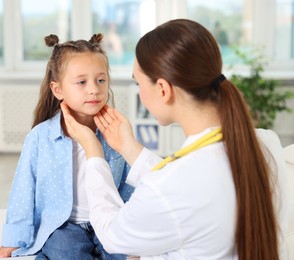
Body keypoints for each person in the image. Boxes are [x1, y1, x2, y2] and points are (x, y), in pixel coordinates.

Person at [61, 19, 288, 260]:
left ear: (163, 89)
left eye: (139, 83)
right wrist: (129, 148)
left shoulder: (172, 185)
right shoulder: (264, 143)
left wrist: (93, 153)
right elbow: (186, 187)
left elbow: (113, 236)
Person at [0, 33, 133, 260]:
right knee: (66, 252)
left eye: (101, 80)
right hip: (63, 224)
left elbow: (129, 185)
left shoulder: (116, 131)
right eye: (81, 82)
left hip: (109, 220)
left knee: (124, 253)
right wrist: (12, 243)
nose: (94, 89)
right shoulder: (40, 137)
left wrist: (134, 229)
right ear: (58, 89)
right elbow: (24, 190)